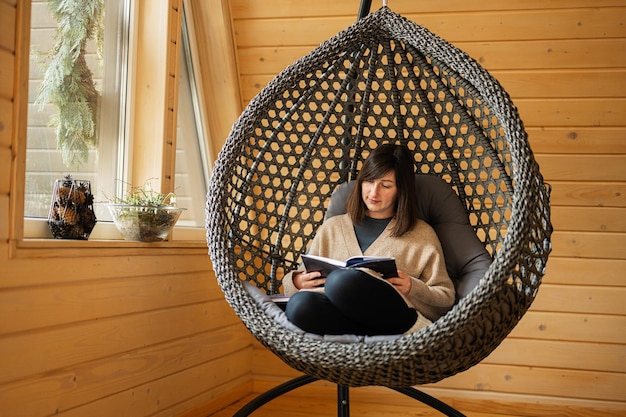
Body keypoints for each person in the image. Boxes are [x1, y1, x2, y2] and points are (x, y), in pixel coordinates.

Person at [282, 143, 455, 336]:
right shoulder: (332, 227)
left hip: (399, 321)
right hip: (341, 319)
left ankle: (381, 338)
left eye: (386, 185)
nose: (374, 193)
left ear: (401, 190)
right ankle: (366, 342)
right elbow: (296, 280)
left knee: (341, 282)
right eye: (369, 181)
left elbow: (445, 299)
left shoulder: (421, 234)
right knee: (299, 306)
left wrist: (413, 288)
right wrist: (297, 282)